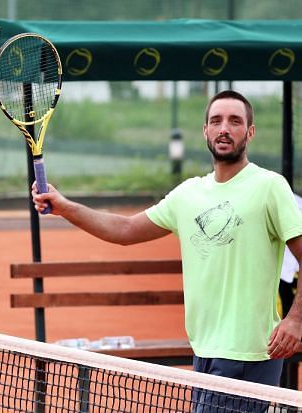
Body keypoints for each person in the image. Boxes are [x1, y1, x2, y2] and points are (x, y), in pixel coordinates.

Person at [32, 90, 302, 390]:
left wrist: (295, 320)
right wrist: (64, 207)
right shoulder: (188, 194)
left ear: (250, 132)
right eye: (216, 120)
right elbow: (125, 229)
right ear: (205, 130)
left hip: (251, 352)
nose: (224, 128)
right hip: (203, 351)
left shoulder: (269, 187)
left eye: (235, 121)